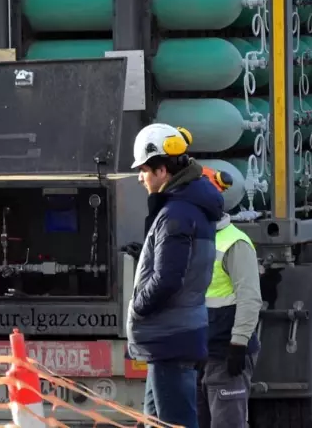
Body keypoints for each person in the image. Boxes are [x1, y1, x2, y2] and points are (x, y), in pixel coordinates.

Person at [126, 123, 224, 428]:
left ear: (163, 171)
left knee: (175, 423)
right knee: (155, 423)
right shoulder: (186, 210)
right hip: (172, 339)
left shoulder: (176, 215)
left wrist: (138, 307)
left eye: (144, 169)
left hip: (170, 339)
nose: (140, 177)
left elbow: (168, 278)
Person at [199, 163, 262, 428]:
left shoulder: (234, 243)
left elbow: (250, 298)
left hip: (226, 354)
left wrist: (238, 345)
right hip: (198, 352)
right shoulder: (190, 240)